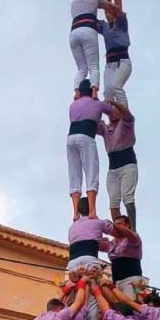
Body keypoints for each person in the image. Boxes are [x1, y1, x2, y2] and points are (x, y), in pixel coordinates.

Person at [67, 81, 121, 222]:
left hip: (71, 139)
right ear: (91, 91)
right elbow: (115, 115)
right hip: (86, 138)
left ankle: (75, 214)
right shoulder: (97, 104)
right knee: (91, 173)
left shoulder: (72, 106)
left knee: (74, 175)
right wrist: (99, 98)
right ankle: (92, 211)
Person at [70, 0, 118, 94]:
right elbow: (109, 6)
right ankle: (94, 91)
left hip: (74, 33)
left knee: (81, 68)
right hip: (88, 30)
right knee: (93, 66)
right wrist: (118, 12)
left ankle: (77, 91)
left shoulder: (74, 3)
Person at [100, 103, 137, 228]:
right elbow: (94, 123)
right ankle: (118, 231)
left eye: (114, 112)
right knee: (113, 203)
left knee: (128, 198)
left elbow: (128, 115)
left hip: (127, 164)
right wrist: (99, 105)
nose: (111, 115)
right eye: (109, 113)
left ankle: (133, 229)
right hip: (113, 167)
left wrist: (115, 103)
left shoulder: (126, 124)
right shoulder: (106, 128)